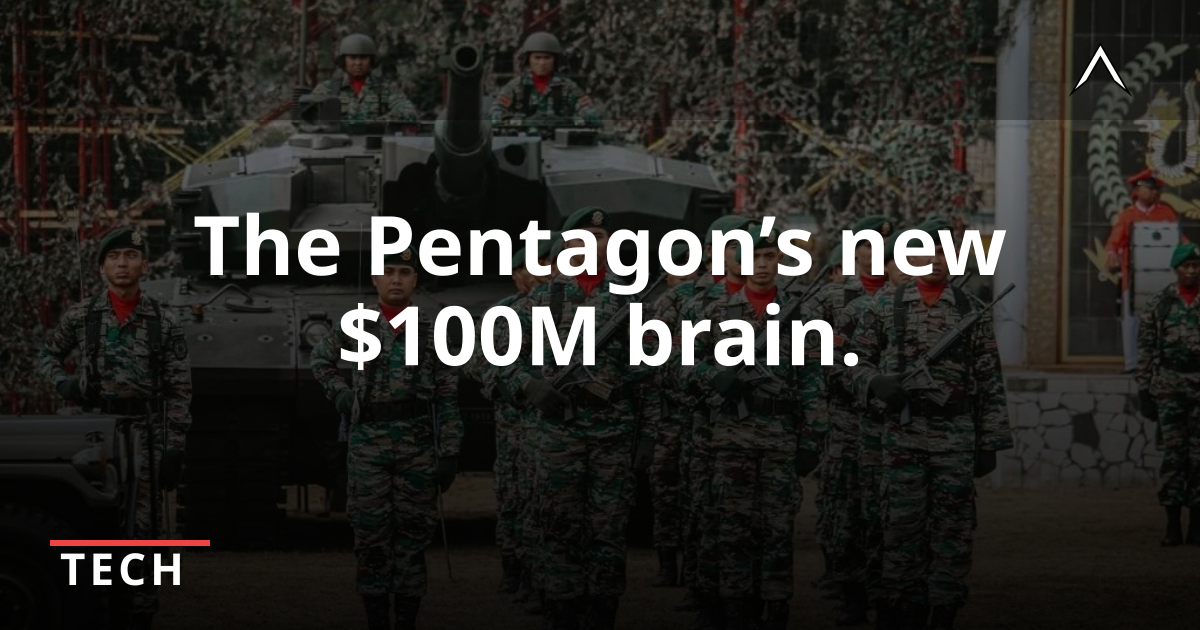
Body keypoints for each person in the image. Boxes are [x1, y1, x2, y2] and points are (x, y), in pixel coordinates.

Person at [842, 217, 1012, 630]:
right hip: (902, 436)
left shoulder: (971, 310)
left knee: (953, 528)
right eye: (926, 252)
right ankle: (905, 606)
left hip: (956, 437)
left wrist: (990, 441)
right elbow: (853, 362)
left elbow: (989, 378)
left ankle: (945, 607)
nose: (935, 259)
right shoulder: (886, 306)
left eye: (943, 252)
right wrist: (875, 382)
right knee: (901, 527)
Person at [500, 206, 657, 630]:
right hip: (557, 435)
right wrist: (529, 385)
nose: (591, 243)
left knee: (609, 530)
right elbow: (496, 360)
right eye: (582, 236)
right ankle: (561, 610)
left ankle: (602, 612)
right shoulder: (540, 300)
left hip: (613, 434)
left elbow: (650, 375)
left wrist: (647, 437)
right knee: (558, 526)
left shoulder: (629, 301)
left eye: (600, 236)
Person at [37, 225, 192, 630]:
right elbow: (46, 355)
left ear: (145, 265)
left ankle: (139, 613)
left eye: (131, 256)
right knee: (92, 524)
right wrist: (63, 383)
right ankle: (94, 608)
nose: (122, 264)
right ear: (102, 267)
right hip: (93, 435)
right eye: (114, 257)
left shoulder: (163, 321)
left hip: (146, 437)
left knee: (143, 532)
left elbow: (179, 390)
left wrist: (174, 447)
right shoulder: (82, 316)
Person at [309, 247, 461, 630]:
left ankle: (406, 621)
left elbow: (447, 395)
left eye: (404, 273)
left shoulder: (432, 331)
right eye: (388, 271)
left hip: (417, 446)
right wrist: (340, 394)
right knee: (370, 537)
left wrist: (449, 452)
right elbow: (321, 359)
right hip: (369, 446)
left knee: (413, 537)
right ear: (375, 279)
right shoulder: (356, 324)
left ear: (415, 280)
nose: (396, 279)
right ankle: (377, 620)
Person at [683, 223, 823, 630]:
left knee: (777, 529)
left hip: (781, 436)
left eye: (770, 256)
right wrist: (713, 375)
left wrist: (813, 438)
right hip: (730, 438)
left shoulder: (800, 314)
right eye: (756, 256)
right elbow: (681, 364)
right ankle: (734, 608)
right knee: (733, 528)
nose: (763, 264)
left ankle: (775, 606)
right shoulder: (714, 312)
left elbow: (812, 379)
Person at [809, 215, 894, 624]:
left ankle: (884, 587)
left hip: (890, 422)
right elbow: (813, 355)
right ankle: (849, 587)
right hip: (844, 417)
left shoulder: (903, 295)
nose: (873, 253)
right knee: (845, 504)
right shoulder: (830, 297)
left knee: (885, 506)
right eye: (865, 245)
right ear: (854, 250)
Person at [1135, 242, 1200, 547]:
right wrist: (1144, 390)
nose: (1191, 271)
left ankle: (1196, 525)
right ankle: (1172, 525)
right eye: (1186, 266)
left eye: (1196, 266)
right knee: (1174, 458)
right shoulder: (1159, 303)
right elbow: (1146, 349)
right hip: (1170, 390)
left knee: (1199, 459)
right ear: (1176, 269)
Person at [1104, 170, 1186, 371]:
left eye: (1156, 189)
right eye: (1149, 188)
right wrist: (1111, 255)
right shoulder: (1127, 215)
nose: (1154, 192)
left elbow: (1180, 240)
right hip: (1133, 277)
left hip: (1161, 277)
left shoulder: (1166, 213)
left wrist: (1190, 252)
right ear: (1137, 191)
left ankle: (1160, 362)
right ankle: (1131, 364)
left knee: (1162, 320)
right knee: (1131, 321)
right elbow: (1114, 242)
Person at [488, 31, 601, 126]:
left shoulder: (567, 87)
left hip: (560, 140)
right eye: (537, 58)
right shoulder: (516, 86)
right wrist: (521, 121)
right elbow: (494, 113)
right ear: (528, 60)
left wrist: (569, 121)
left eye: (547, 58)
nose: (542, 63)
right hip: (523, 140)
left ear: (555, 60)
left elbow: (590, 112)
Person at [309, 33, 418, 127]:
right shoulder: (327, 89)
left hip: (374, 142)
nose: (358, 63)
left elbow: (409, 111)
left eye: (363, 58)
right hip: (336, 142)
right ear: (343, 60)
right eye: (352, 58)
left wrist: (379, 122)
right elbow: (308, 117)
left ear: (371, 60)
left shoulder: (385, 88)